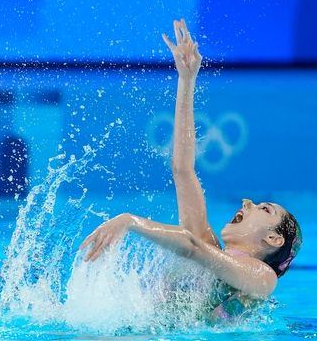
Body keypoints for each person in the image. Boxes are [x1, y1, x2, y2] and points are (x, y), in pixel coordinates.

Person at [80, 19, 301, 320]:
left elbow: (191, 247)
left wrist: (130, 221)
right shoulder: (209, 246)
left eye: (264, 209)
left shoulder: (262, 280)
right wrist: (187, 79)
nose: (248, 202)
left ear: (274, 240)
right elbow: (182, 169)